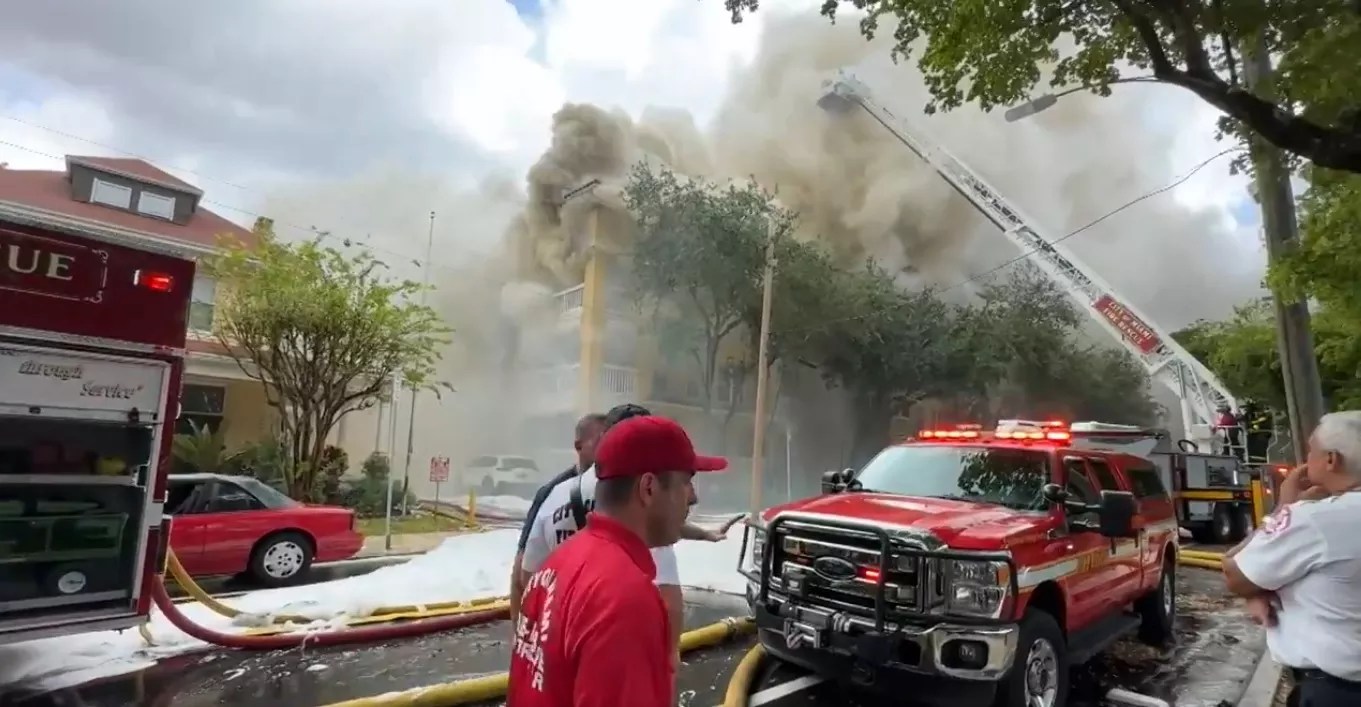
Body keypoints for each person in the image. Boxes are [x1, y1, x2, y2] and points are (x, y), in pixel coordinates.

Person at [507, 415, 727, 707]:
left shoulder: (559, 562)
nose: (694, 497)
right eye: (686, 482)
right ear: (648, 488)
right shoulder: (625, 598)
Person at [1222, 410, 1361, 707]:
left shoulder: (1316, 520)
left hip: (1338, 693)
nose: (1306, 458)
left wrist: (1284, 507)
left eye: (1312, 450)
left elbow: (1236, 571)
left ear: (1331, 460)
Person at [508, 413, 606, 626]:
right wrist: (519, 631)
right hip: (559, 618)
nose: (608, 446)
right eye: (601, 440)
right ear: (578, 446)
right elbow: (521, 570)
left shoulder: (622, 487)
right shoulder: (550, 493)